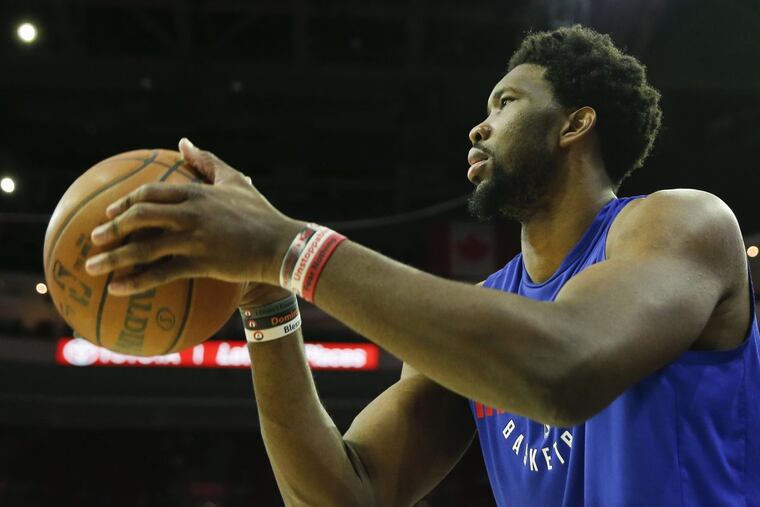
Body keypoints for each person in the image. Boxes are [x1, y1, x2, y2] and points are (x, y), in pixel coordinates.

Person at [84, 25, 760, 506]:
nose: (478, 126)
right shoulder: (480, 316)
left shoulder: (680, 223)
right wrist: (268, 301)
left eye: (506, 102)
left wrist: (286, 246)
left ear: (573, 124)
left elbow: (565, 369)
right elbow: (347, 493)